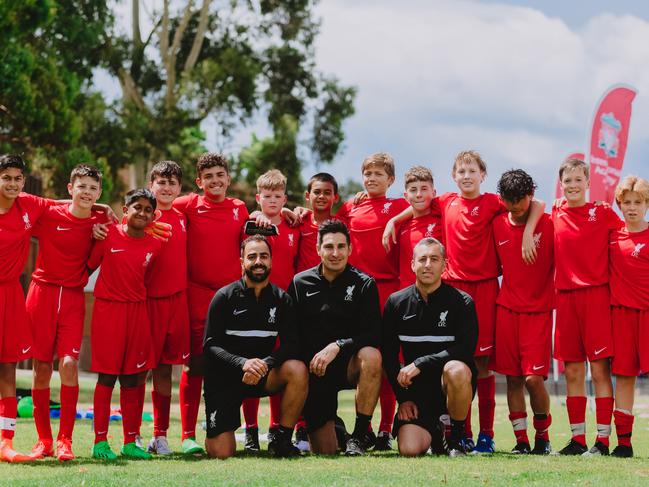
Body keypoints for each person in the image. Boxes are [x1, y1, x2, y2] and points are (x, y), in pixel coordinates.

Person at [383, 150, 543, 453]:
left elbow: (536, 204)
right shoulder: (447, 202)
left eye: (472, 171)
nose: (467, 176)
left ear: (483, 175)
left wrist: (529, 232)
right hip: (454, 284)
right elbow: (420, 204)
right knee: (450, 358)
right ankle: (459, 431)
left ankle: (486, 434)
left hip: (484, 288)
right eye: (461, 171)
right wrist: (395, 219)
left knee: (481, 365)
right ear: (454, 177)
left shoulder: (493, 203)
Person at [27, 164, 108, 461]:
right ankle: (43, 440)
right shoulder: (49, 213)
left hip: (73, 297)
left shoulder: (101, 222)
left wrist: (100, 237)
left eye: (92, 187)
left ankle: (65, 440)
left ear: (98, 192)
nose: (86, 192)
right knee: (41, 367)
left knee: (70, 364)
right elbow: (21, 203)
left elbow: (94, 263)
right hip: (41, 294)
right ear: (70, 188)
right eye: (81, 186)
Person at [172, 153, 250, 455]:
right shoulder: (189, 204)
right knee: (196, 364)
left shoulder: (239, 208)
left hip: (232, 298)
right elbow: (154, 204)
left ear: (228, 178)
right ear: (199, 181)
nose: (215, 181)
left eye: (220, 174)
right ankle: (188, 435)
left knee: (235, 362)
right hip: (197, 295)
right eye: (209, 176)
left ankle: (240, 430)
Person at [203, 235, 308, 459]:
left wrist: (263, 364)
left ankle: (282, 440)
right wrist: (243, 363)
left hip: (262, 374)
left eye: (263, 256)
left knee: (297, 368)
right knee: (221, 452)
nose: (258, 261)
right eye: (252, 257)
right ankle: (218, 428)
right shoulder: (224, 297)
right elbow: (210, 345)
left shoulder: (282, 299)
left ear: (271, 261)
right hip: (225, 378)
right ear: (242, 261)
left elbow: (292, 344)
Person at [288, 219, 383, 455]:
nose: (335, 253)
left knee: (372, 356)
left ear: (350, 249)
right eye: (329, 247)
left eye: (341, 246)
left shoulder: (364, 284)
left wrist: (338, 346)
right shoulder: (300, 283)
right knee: (326, 451)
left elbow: (373, 333)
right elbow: (291, 334)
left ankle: (359, 437)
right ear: (319, 249)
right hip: (315, 370)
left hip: (347, 365)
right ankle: (336, 428)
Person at [335, 152, 410, 450]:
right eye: (367, 173)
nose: (371, 178)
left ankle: (384, 430)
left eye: (378, 174)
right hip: (358, 294)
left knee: (390, 359)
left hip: (390, 291)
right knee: (365, 360)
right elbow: (329, 225)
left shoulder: (399, 205)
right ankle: (360, 426)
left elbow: (425, 205)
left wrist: (395, 219)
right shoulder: (352, 206)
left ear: (390, 180)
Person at [383, 238, 477, 457]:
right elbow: (388, 355)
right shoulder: (396, 303)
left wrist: (421, 363)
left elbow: (465, 349)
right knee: (409, 450)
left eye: (434, 259)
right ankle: (437, 434)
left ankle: (455, 439)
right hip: (416, 395)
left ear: (445, 264)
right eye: (422, 259)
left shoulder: (462, 302)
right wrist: (402, 398)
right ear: (412, 264)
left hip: (450, 387)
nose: (427, 265)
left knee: (457, 368)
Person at [552, 158, 622, 456]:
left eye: (578, 180)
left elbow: (629, 234)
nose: (572, 186)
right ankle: (578, 439)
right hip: (565, 298)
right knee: (572, 371)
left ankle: (603, 440)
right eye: (567, 181)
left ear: (588, 182)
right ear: (561, 184)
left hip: (596, 297)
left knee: (600, 370)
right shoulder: (555, 211)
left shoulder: (603, 213)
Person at [87, 188, 163, 460]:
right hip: (109, 312)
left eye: (147, 210)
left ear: (153, 215)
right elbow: (88, 266)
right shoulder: (107, 235)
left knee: (133, 379)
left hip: (138, 314)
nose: (142, 213)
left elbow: (148, 279)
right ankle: (100, 443)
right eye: (137, 207)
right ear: (125, 210)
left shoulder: (155, 244)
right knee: (107, 377)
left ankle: (130, 442)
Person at [492, 169, 554, 455]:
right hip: (506, 310)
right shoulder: (497, 224)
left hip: (539, 311)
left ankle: (543, 435)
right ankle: (521, 441)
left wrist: (530, 229)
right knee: (513, 380)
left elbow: (543, 205)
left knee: (533, 379)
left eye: (521, 203)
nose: (515, 209)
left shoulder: (549, 223)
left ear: (530, 196)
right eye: (509, 203)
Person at [241, 169, 301, 451]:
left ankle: (277, 427)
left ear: (285, 198)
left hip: (286, 307)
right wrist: (255, 215)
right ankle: (251, 430)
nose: (273, 201)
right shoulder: (251, 224)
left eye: (278, 196)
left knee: (278, 364)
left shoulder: (293, 225)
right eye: (267, 196)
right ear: (258, 197)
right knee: (253, 364)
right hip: (255, 304)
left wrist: (293, 211)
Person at [0, 154, 53, 462]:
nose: (13, 183)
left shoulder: (28, 205)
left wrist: (100, 208)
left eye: (18, 178)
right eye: (7, 177)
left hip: (10, 294)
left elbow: (62, 205)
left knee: (8, 369)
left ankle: (6, 442)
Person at [144, 161, 190, 455]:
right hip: (147, 302)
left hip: (177, 301)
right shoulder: (142, 216)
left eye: (172, 183)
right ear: (152, 185)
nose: (167, 187)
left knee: (165, 370)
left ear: (180, 188)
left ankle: (160, 436)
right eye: (161, 182)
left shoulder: (185, 215)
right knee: (136, 371)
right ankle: (131, 435)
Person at [608, 175, 649, 458]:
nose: (632, 208)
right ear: (620, 204)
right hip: (621, 317)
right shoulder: (612, 235)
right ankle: (623, 443)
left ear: (647, 204)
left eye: (638, 202)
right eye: (627, 202)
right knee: (624, 378)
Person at [396, 166, 442, 289]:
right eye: (413, 190)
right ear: (406, 196)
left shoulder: (443, 220)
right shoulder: (401, 225)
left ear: (434, 193)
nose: (418, 194)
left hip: (436, 294)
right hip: (407, 296)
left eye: (424, 189)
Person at [295, 172, 340, 273]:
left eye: (327, 192)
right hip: (304, 285)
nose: (321, 196)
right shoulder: (299, 220)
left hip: (333, 284)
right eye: (317, 192)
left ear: (336, 198)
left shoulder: (342, 225)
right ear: (307, 195)